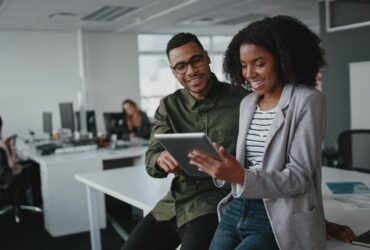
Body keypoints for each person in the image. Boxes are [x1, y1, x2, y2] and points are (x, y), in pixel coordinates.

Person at [188, 15, 355, 250]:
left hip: (276, 214)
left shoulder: (307, 100)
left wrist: (240, 175)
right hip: (237, 207)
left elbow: (299, 178)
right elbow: (251, 166)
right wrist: (222, 166)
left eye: (259, 63)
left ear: (283, 60)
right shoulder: (247, 103)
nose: (249, 73)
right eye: (244, 65)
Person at [121, 33, 247, 250]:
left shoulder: (242, 100)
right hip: (174, 203)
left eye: (195, 60)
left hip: (216, 203)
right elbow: (152, 155)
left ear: (207, 58)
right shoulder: (169, 106)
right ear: (173, 71)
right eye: (180, 66)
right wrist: (160, 159)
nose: (190, 71)